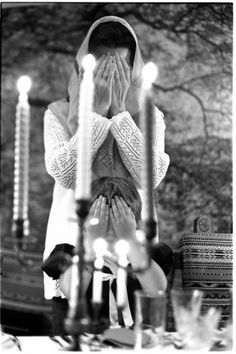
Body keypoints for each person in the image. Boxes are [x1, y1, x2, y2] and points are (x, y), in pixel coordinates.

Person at [42, 15, 170, 329]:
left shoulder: (151, 115)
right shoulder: (58, 112)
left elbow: (149, 176)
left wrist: (122, 114)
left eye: (121, 70)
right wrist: (96, 115)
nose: (111, 79)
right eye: (102, 71)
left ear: (135, 70)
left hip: (135, 250)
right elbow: (66, 173)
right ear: (85, 68)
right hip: (73, 251)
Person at [42, 177, 173, 334]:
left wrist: (129, 240)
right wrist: (91, 243)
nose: (110, 231)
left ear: (135, 223)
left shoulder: (142, 258)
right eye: (102, 223)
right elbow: (72, 291)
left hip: (135, 343)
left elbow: (157, 290)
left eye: (119, 223)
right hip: (85, 343)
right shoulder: (73, 257)